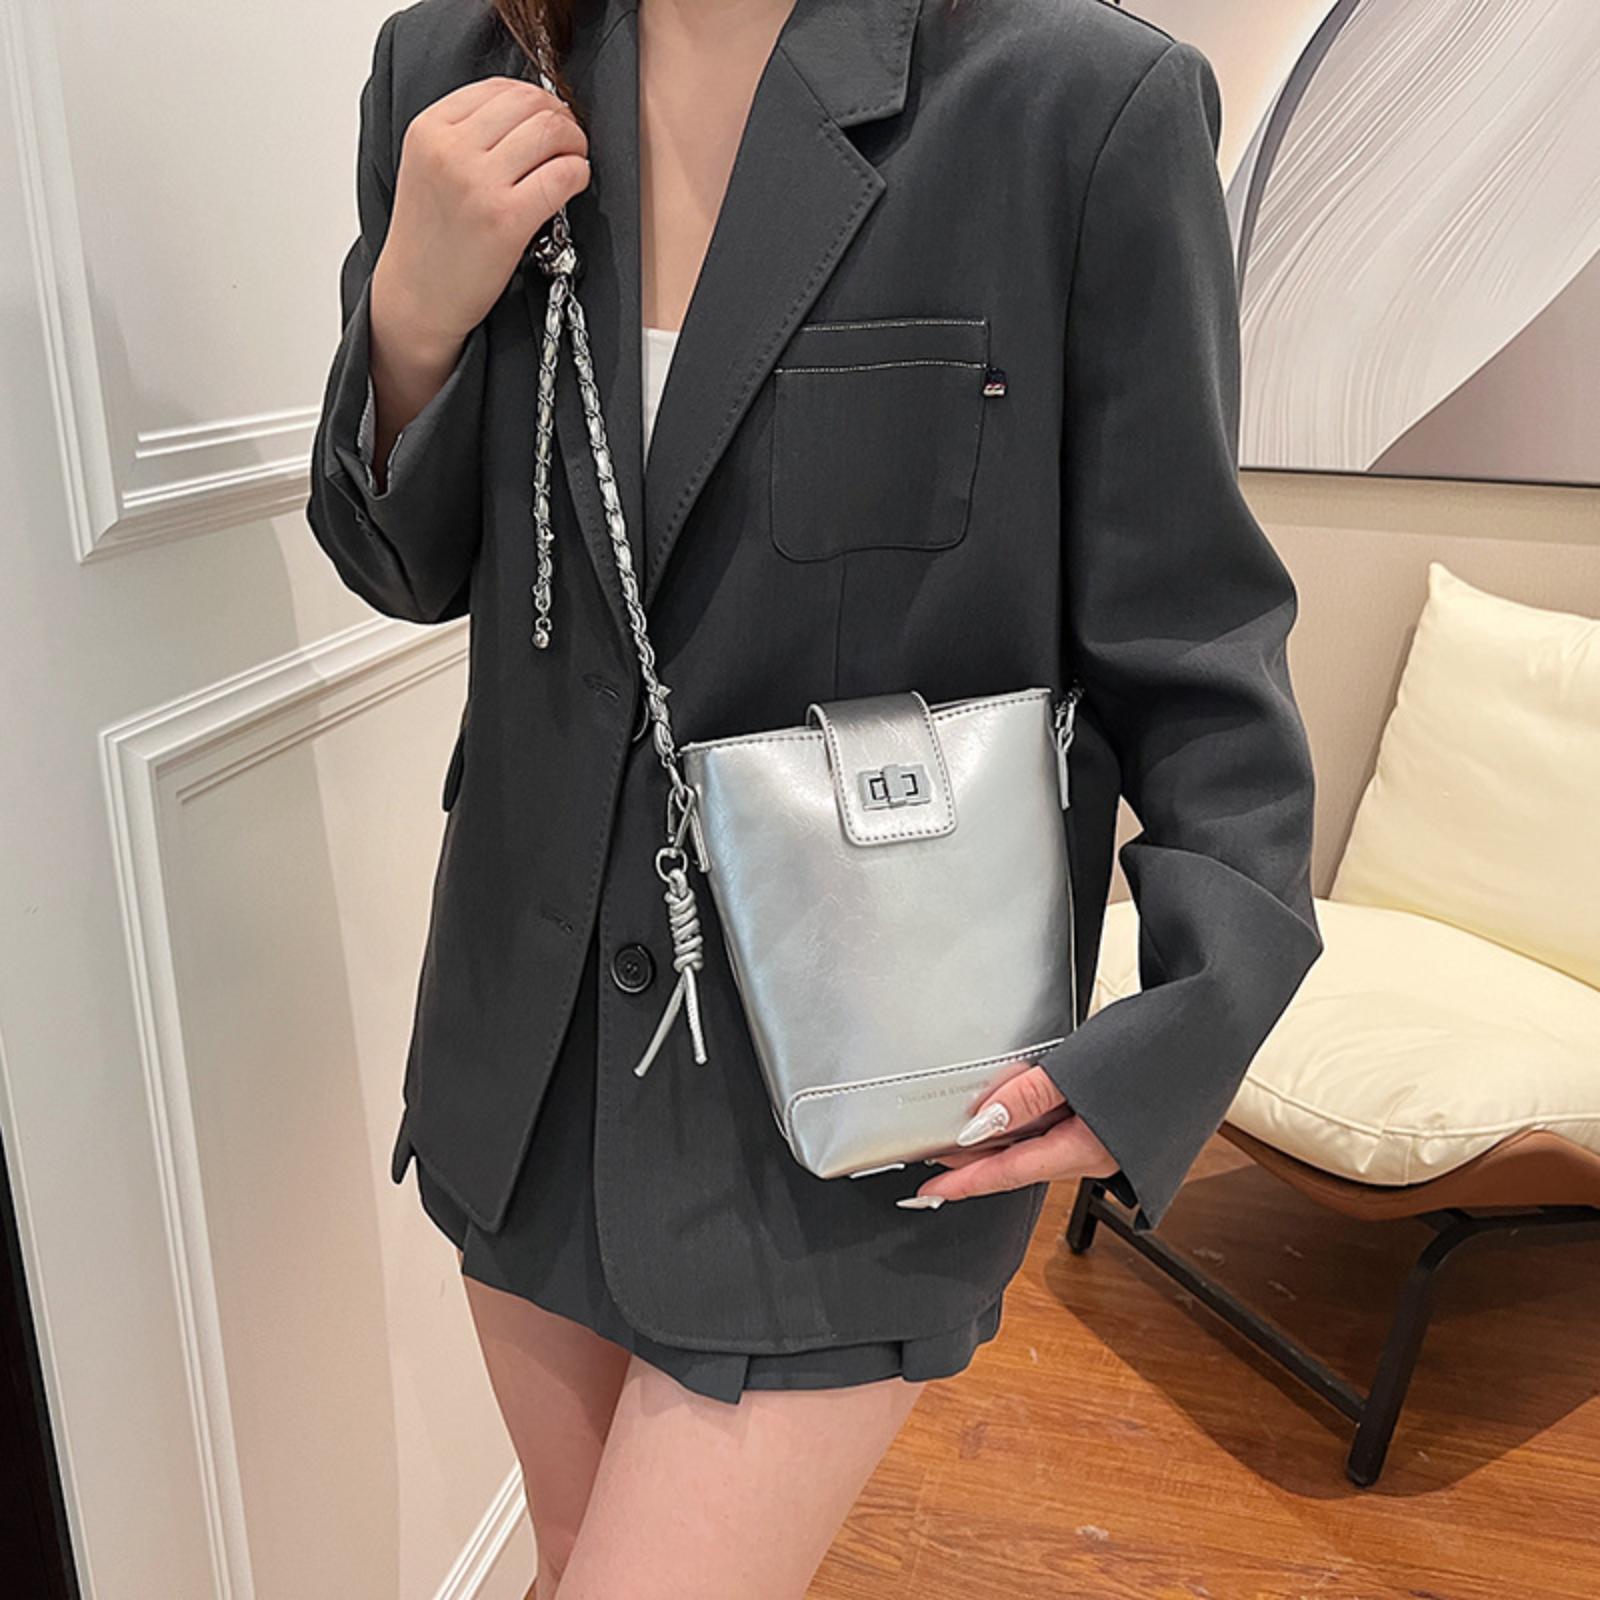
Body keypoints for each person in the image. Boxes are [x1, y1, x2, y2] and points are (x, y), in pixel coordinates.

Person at [305, 0, 1323, 1593]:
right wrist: (411, 319)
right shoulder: (455, 69)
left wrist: (1182, 1026)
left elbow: (1188, 632)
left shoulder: (1073, 102)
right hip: (525, 1062)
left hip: (847, 1102)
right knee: (571, 1555)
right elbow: (407, 567)